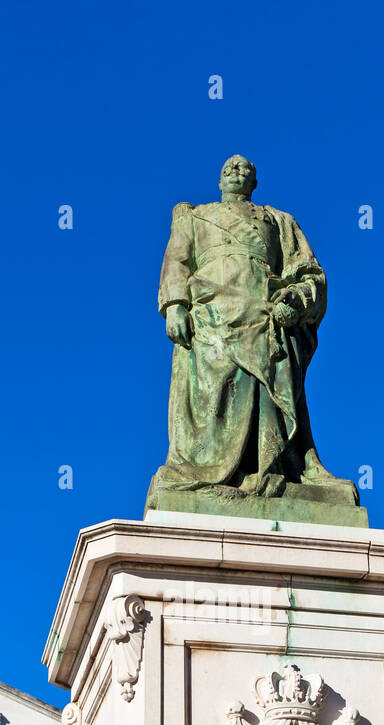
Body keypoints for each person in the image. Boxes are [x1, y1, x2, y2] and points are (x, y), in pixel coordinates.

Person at [147, 155, 359, 510]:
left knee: (275, 373)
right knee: (215, 394)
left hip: (265, 312)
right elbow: (177, 261)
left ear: (255, 182)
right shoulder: (194, 216)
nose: (236, 171)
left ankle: (280, 465)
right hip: (211, 313)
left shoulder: (279, 220)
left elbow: (309, 273)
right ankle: (209, 470)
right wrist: (175, 305)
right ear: (219, 180)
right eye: (228, 168)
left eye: (245, 168)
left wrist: (296, 297)